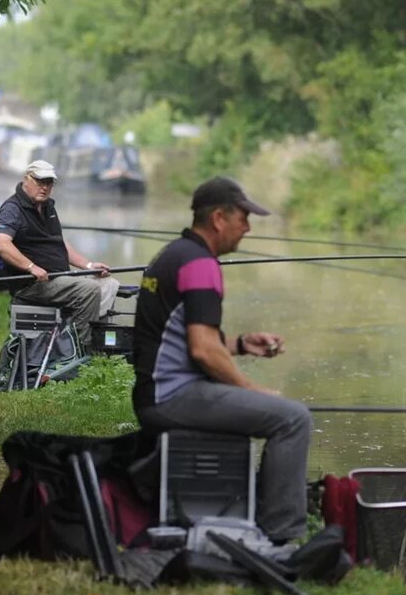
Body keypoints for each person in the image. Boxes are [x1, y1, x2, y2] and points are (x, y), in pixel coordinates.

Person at [130, 176, 312, 545]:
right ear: (218, 218)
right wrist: (252, 389)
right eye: (243, 218)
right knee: (293, 419)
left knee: (283, 415)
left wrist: (242, 344)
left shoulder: (172, 254)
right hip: (172, 397)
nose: (247, 228)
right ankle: (282, 536)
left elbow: (184, 340)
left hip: (153, 393)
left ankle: (256, 514)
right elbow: (202, 350)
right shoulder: (201, 265)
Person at [0, 160, 119, 348]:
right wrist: (31, 267)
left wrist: (89, 266)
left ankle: (97, 342)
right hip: (33, 284)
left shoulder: (48, 207)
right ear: (26, 179)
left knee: (109, 284)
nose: (44, 187)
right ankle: (81, 349)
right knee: (89, 289)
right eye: (40, 181)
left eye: (49, 183)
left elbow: (60, 244)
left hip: (59, 277)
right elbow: (1, 243)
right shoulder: (12, 208)